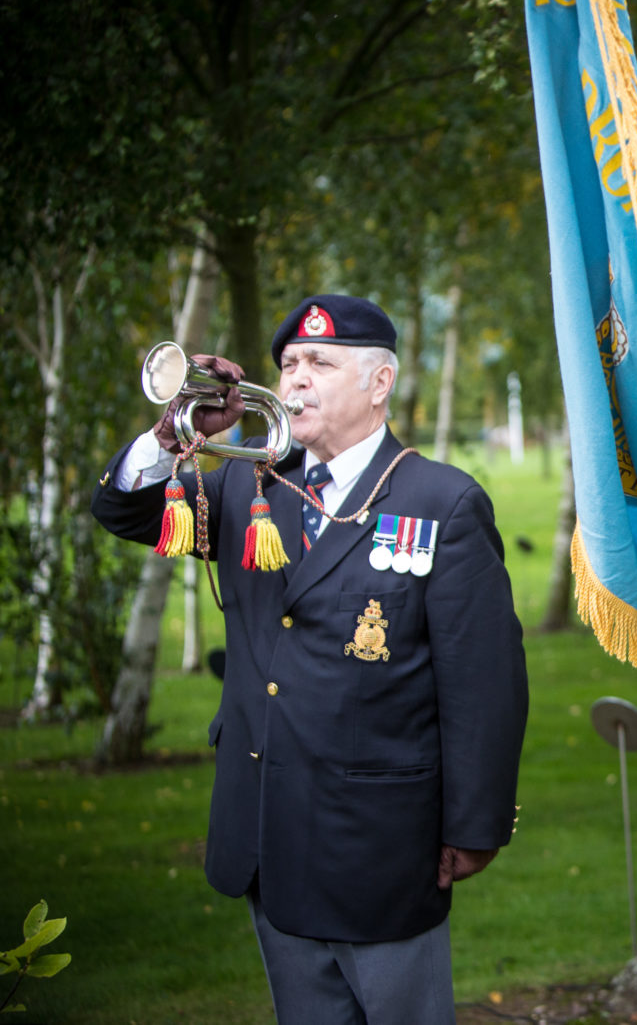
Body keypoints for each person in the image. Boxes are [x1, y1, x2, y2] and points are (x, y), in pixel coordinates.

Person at [92, 295, 528, 1024]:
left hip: (381, 848)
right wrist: (174, 436)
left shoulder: (442, 502)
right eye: (289, 364)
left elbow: (483, 685)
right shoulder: (245, 480)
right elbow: (125, 510)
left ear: (379, 383)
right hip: (268, 829)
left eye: (320, 363)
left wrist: (475, 823)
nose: (295, 381)